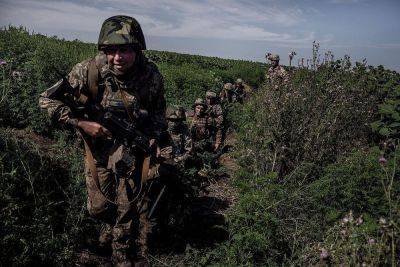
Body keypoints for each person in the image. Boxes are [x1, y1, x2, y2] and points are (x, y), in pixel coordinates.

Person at [39, 15, 166, 267]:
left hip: (132, 150)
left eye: (125, 50)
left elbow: (159, 113)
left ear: (137, 49)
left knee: (127, 204)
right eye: (111, 50)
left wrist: (152, 138)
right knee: (97, 208)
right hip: (97, 149)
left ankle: (120, 253)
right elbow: (45, 99)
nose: (118, 57)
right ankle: (109, 227)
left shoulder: (151, 76)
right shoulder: (88, 70)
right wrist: (80, 123)